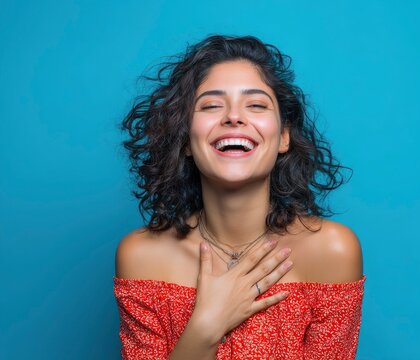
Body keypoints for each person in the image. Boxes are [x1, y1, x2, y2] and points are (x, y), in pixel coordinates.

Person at [113, 34, 366, 360]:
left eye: (257, 104)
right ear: (187, 140)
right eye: (212, 105)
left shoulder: (332, 252)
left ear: (284, 137)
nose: (234, 117)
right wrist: (207, 324)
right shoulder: (141, 258)